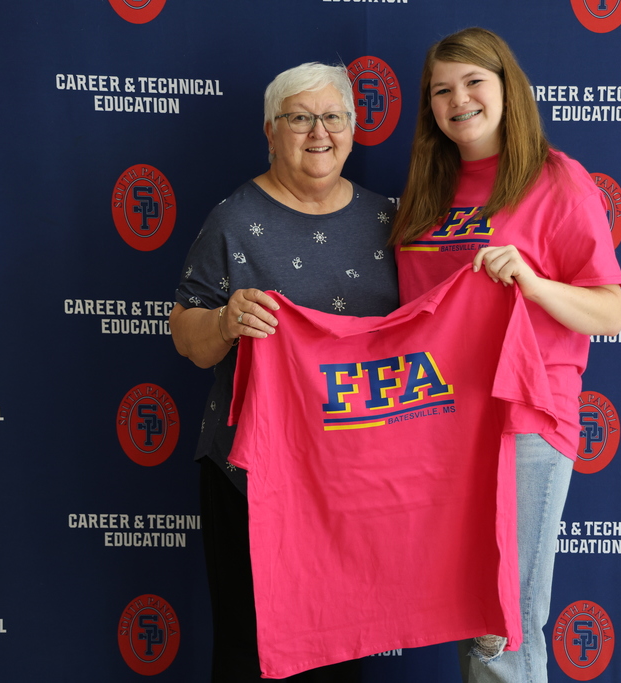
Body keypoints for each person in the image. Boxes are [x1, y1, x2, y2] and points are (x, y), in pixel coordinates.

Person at [390, 28, 621, 682]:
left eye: (472, 82)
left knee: (504, 626)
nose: (457, 99)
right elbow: (413, 323)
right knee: (474, 617)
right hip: (441, 422)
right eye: (441, 90)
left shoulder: (556, 179)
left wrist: (533, 279)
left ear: (507, 89)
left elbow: (609, 311)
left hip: (526, 419)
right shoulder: (426, 193)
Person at [170, 62, 399, 682]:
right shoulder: (233, 220)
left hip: (353, 480)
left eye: (332, 117)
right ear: (271, 132)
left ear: (353, 129)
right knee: (252, 654)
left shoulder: (394, 222)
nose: (317, 132)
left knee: (341, 652)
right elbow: (185, 334)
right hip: (251, 475)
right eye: (299, 118)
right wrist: (222, 322)